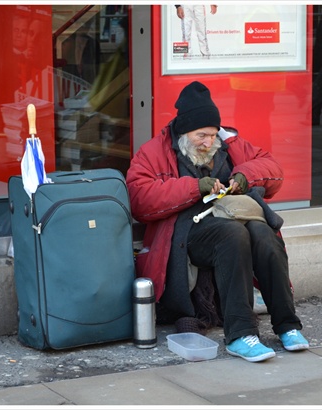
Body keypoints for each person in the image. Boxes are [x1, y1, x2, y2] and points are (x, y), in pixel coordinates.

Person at [126, 81, 309, 363]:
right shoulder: (154, 151)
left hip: (232, 216)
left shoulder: (230, 144)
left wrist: (245, 176)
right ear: (185, 130)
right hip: (185, 230)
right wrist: (194, 187)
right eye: (202, 135)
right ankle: (240, 335)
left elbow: (272, 168)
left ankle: (287, 325)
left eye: (213, 136)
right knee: (232, 235)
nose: (209, 143)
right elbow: (140, 197)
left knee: (263, 233)